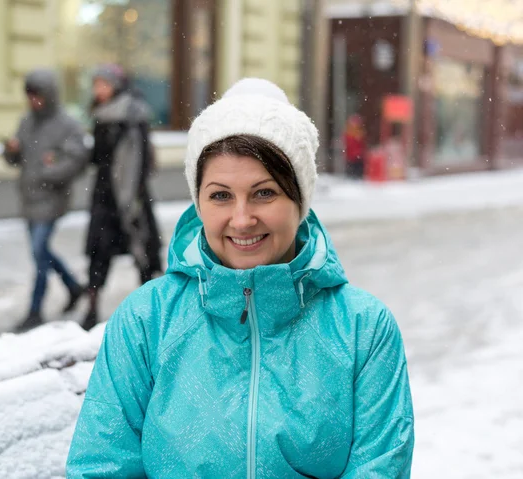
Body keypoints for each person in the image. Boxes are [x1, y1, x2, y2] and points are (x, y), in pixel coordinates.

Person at [67, 78, 414, 478]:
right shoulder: (147, 321)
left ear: (300, 201)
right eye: (220, 195)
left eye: (264, 193)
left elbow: (379, 468)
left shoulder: (362, 329)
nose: (242, 218)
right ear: (199, 203)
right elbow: (101, 466)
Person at [4, 68, 88, 332]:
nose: (33, 101)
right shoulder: (26, 121)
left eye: (38, 96)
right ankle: (74, 286)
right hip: (28, 198)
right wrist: (10, 151)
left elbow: (77, 161)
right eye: (30, 96)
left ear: (49, 95)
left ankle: (35, 310)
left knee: (39, 253)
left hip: (51, 200)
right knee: (40, 252)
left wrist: (46, 172)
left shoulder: (67, 124)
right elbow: (14, 160)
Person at [83, 64, 163, 331]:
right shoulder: (100, 115)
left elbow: (137, 161)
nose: (98, 90)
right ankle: (91, 309)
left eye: (102, 84)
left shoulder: (131, 115)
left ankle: (156, 308)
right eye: (96, 85)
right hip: (105, 195)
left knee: (143, 252)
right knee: (98, 253)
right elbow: (97, 157)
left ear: (115, 85)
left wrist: (130, 196)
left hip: (130, 194)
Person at [344, 114, 366, 179]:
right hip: (352, 157)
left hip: (357, 157)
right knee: (352, 172)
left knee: (357, 172)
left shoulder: (359, 133)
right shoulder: (349, 134)